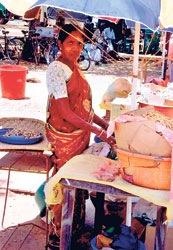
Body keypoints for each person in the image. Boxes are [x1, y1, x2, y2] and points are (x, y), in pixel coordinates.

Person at [45, 23, 116, 249]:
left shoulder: (75, 68)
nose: (75, 48)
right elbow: (65, 112)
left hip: (79, 133)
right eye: (70, 43)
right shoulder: (56, 70)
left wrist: (108, 126)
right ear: (60, 44)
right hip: (64, 136)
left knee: (79, 184)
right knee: (66, 182)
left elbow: (84, 109)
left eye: (79, 43)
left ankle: (74, 229)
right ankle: (59, 233)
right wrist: (100, 132)